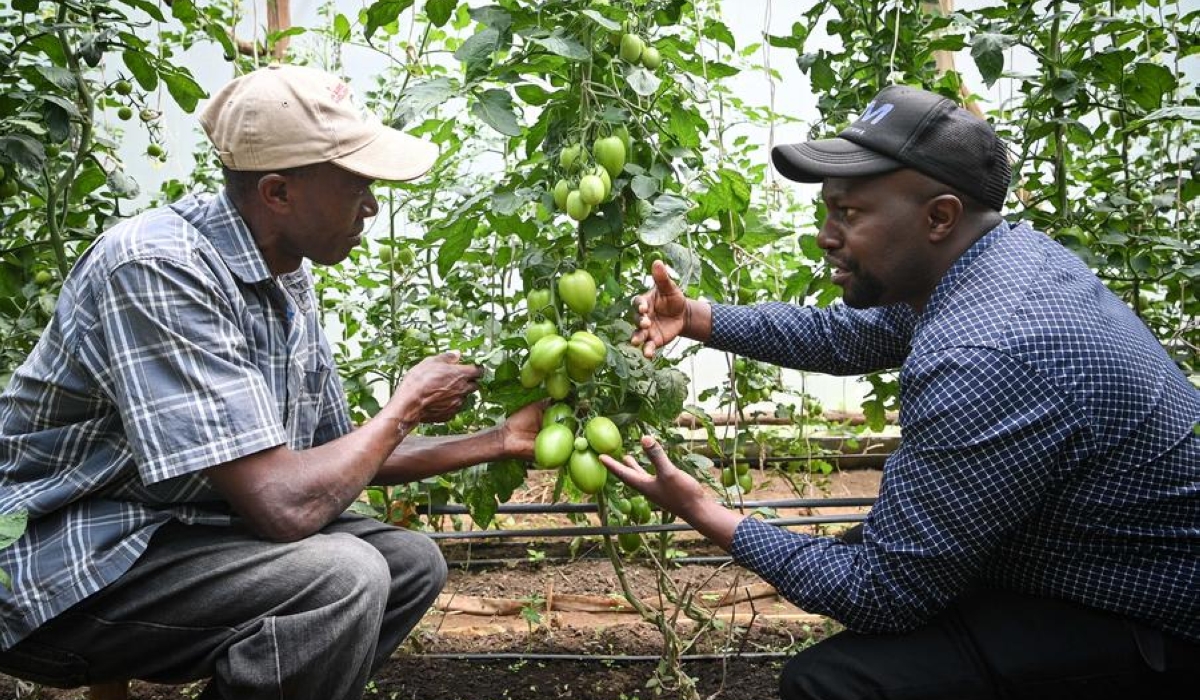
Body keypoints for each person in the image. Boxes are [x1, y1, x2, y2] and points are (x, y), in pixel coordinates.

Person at [601, 85, 1199, 699]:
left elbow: (883, 595)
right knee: (863, 552)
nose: (825, 236)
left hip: (1154, 618)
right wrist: (696, 318)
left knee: (833, 682)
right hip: (1096, 555)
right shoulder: (1002, 259)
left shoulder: (981, 353)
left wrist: (704, 512)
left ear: (939, 216)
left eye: (850, 213)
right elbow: (844, 338)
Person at [0, 64, 541, 699]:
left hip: (167, 535)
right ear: (278, 193)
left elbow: (338, 455)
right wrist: (406, 406)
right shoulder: (158, 268)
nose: (370, 204)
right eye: (356, 186)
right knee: (343, 576)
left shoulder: (282, 273)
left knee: (409, 564)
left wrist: (497, 440)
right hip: (62, 567)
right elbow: (284, 505)